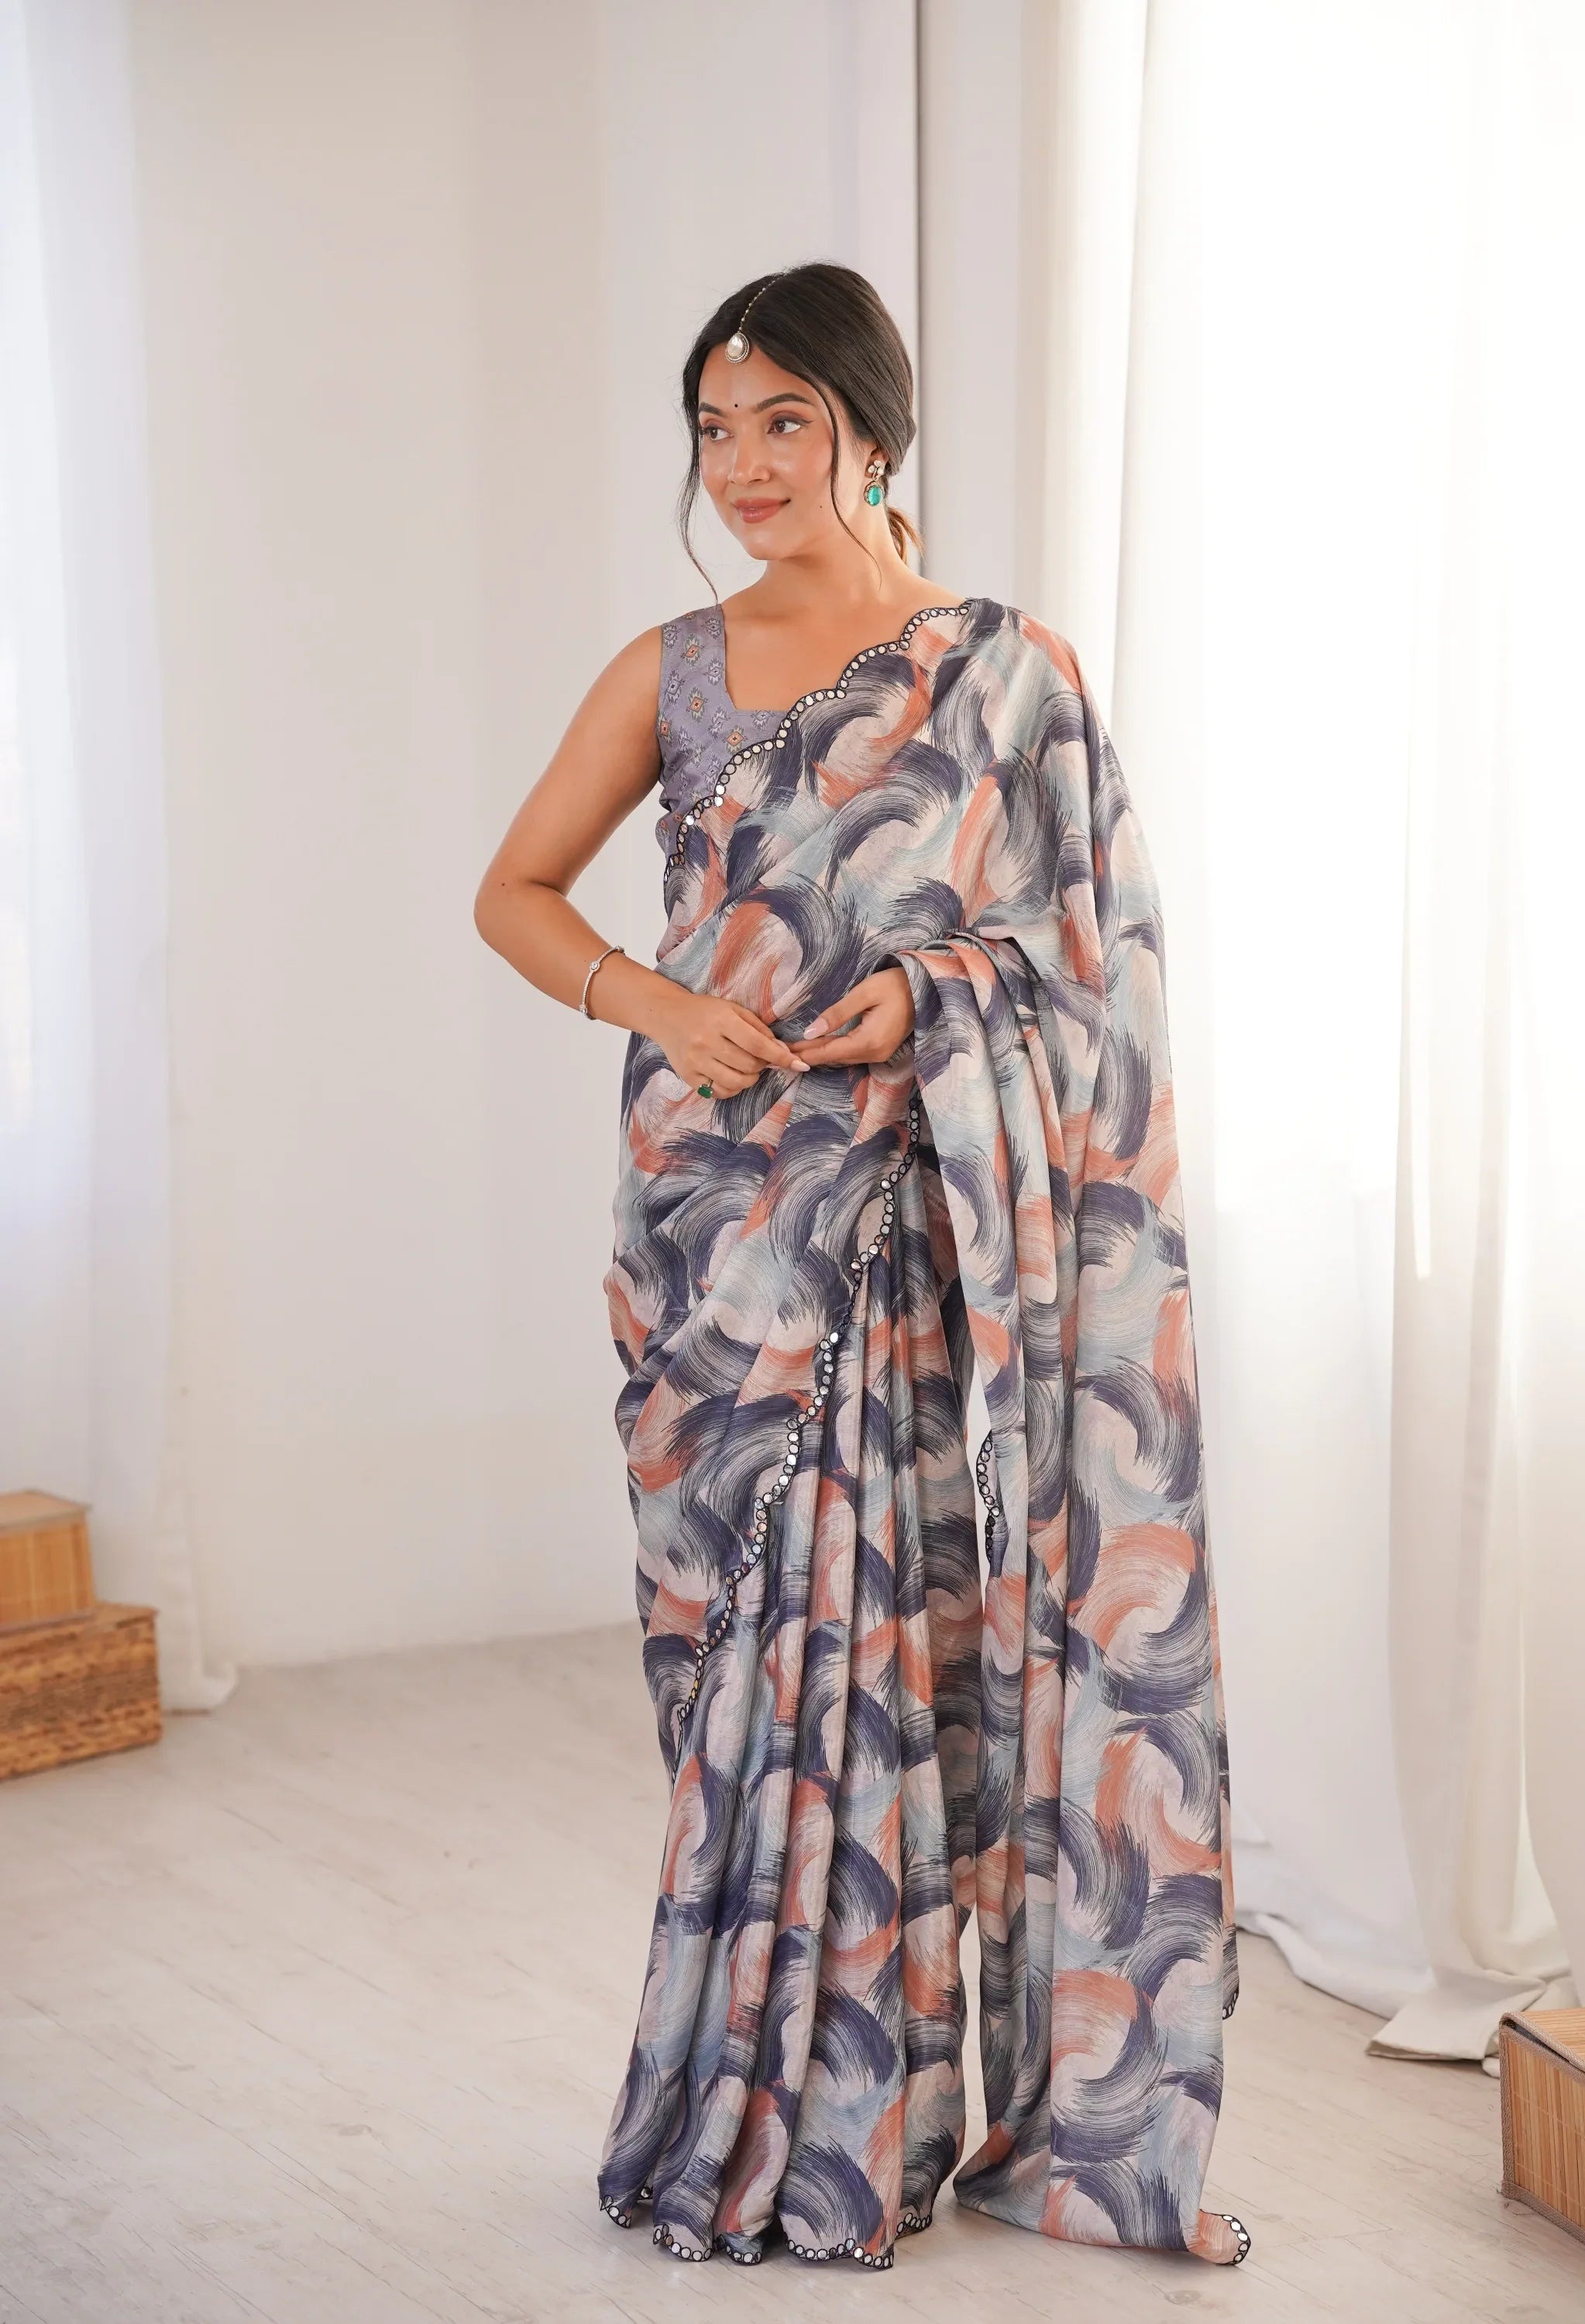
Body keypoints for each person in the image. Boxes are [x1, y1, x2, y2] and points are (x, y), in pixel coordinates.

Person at [473, 261, 1248, 2274]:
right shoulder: (677, 669)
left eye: (783, 425)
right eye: (715, 432)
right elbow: (512, 890)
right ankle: (756, 2101)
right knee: (732, 1680)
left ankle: (896, 2123)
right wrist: (653, 1000)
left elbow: (1089, 964)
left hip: (910, 1241)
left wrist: (928, 1007)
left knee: (923, 1668)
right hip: (708, 1237)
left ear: (873, 434)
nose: (743, 468)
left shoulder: (1010, 677)